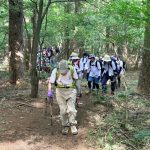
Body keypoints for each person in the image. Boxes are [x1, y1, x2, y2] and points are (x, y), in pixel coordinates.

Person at [47, 60, 78, 135]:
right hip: (60, 92)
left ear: (67, 68)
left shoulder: (72, 69)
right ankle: (65, 125)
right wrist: (49, 92)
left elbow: (76, 79)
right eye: (62, 71)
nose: (63, 73)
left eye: (64, 71)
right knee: (63, 110)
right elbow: (50, 82)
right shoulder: (55, 71)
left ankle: (73, 125)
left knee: (71, 110)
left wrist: (77, 90)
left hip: (71, 90)